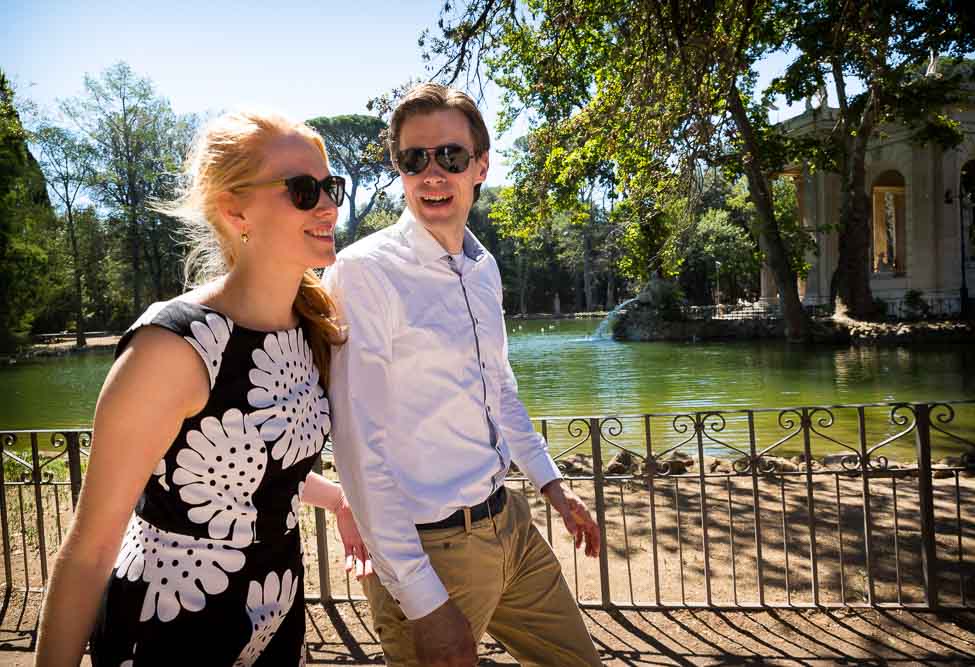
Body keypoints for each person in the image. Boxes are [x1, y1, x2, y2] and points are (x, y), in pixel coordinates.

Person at [36, 110, 371, 666]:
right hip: (172, 622)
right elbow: (89, 551)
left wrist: (336, 499)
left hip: (272, 616)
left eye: (330, 187)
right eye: (303, 190)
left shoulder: (308, 328)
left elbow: (251, 467)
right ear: (235, 209)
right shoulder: (172, 347)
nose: (329, 206)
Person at [323, 83, 603, 667]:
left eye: (450, 156)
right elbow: (355, 444)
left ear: (480, 165)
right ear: (398, 169)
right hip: (431, 550)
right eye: (413, 159)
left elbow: (498, 387)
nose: (432, 173)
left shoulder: (482, 265)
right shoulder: (366, 272)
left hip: (510, 524)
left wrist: (552, 486)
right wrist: (425, 601)